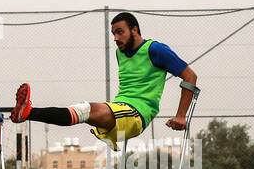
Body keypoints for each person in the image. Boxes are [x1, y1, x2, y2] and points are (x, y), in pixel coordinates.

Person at [10, 11, 199, 154]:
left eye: (120, 32)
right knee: (83, 111)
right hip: (119, 108)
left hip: (137, 114)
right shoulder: (120, 53)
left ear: (134, 30)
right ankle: (26, 113)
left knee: (87, 109)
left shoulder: (156, 50)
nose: (116, 38)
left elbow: (190, 76)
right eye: (113, 34)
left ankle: (28, 112)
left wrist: (181, 115)